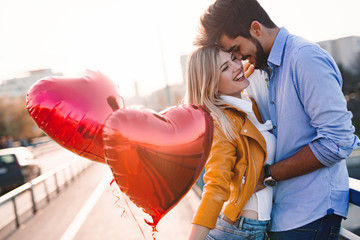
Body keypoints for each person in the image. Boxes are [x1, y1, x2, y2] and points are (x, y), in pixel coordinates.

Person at [194, 0, 360, 239]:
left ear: (256, 28)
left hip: (311, 214)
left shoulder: (305, 59)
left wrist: (269, 172)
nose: (239, 58)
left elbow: (338, 142)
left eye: (237, 49)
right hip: (276, 216)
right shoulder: (255, 73)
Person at [185, 46, 276, 240]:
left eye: (235, 59)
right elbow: (215, 186)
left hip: (253, 228)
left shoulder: (248, 104)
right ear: (210, 83)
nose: (236, 66)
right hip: (240, 231)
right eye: (225, 68)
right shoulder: (221, 123)